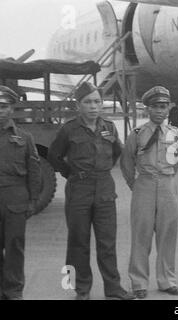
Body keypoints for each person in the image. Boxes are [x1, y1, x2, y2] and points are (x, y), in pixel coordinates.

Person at [48, 82, 134, 300]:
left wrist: (102, 171)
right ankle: (81, 289)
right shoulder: (69, 129)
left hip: (104, 188)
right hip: (79, 190)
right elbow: (54, 156)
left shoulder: (109, 127)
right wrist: (72, 174)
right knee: (78, 241)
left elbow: (117, 152)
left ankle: (113, 287)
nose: (94, 106)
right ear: (79, 105)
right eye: (88, 102)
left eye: (97, 101)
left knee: (107, 242)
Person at [120, 86, 178, 299]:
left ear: (168, 109)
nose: (159, 111)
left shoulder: (175, 134)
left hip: (167, 185)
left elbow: (176, 164)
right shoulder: (137, 134)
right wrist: (134, 184)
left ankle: (167, 281)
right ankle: (139, 283)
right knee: (141, 235)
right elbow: (127, 162)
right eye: (155, 106)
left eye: (163, 107)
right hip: (144, 185)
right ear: (148, 109)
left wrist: (169, 182)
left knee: (168, 235)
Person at [0, 86, 41, 300]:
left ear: (11, 109)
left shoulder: (25, 138)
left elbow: (34, 171)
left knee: (15, 246)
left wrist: (33, 200)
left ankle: (13, 290)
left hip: (15, 199)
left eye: (4, 106)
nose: (0, 110)